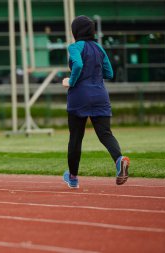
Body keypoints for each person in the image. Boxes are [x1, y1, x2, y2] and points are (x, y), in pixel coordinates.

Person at [61, 15, 130, 189]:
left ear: (75, 31)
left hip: (79, 97)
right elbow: (109, 73)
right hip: (100, 95)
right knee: (105, 134)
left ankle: (73, 178)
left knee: (76, 138)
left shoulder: (75, 47)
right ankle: (119, 160)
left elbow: (77, 65)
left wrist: (70, 81)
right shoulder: (99, 48)